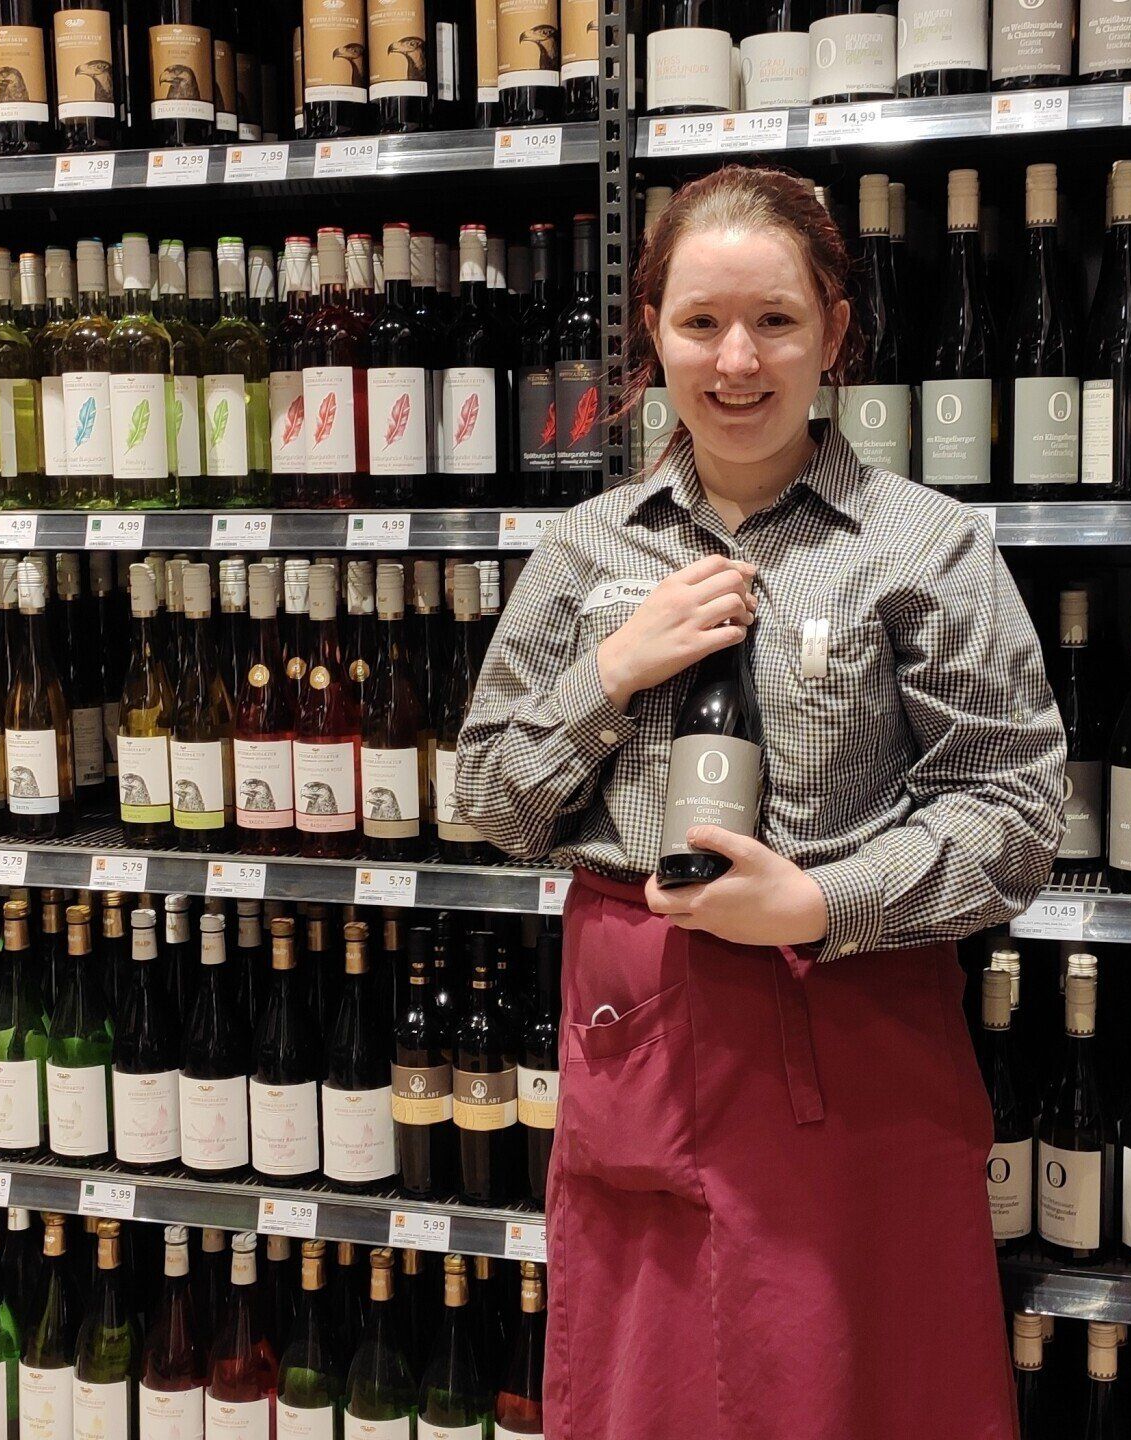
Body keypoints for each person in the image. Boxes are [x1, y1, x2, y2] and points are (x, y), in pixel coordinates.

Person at [454, 165, 1067, 1440]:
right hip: (641, 1024)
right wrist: (613, 671)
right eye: (700, 323)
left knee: (866, 1380)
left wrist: (821, 902)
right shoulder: (585, 550)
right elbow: (495, 804)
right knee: (655, 1393)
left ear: (833, 333)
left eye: (775, 321)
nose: (736, 362)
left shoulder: (926, 544)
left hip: (857, 1023)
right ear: (652, 333)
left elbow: (1014, 812)